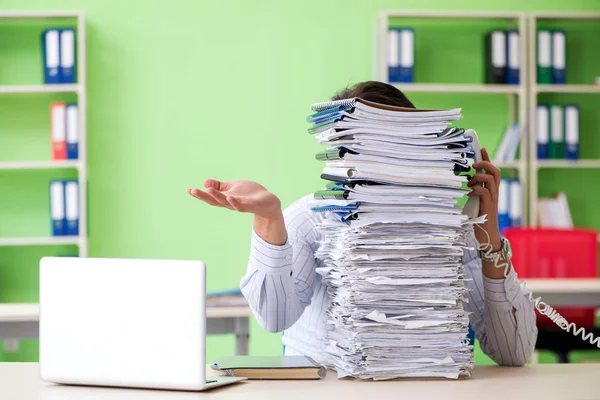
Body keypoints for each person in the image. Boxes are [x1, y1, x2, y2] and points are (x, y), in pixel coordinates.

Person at [187, 81, 537, 366]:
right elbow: (274, 318)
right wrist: (267, 220)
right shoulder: (309, 218)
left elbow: (514, 353)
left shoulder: (449, 228)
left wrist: (487, 238)